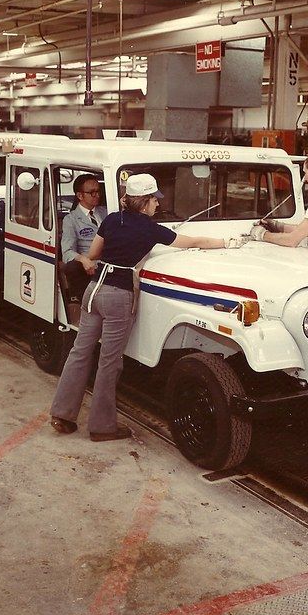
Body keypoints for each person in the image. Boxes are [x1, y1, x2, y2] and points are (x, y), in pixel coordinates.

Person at [50, 173, 244, 441]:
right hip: (118, 296)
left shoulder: (110, 219)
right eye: (155, 199)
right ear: (144, 201)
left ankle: (62, 414)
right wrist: (228, 242)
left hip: (93, 291)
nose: (157, 205)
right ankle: (102, 427)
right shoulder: (150, 229)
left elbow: (93, 254)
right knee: (109, 362)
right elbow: (192, 242)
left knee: (80, 352)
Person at [60, 174, 107, 300]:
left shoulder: (106, 212)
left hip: (109, 262)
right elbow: (67, 252)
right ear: (80, 195)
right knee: (73, 267)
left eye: (98, 191)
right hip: (89, 266)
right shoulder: (71, 219)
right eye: (92, 192)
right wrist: (83, 260)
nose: (97, 195)